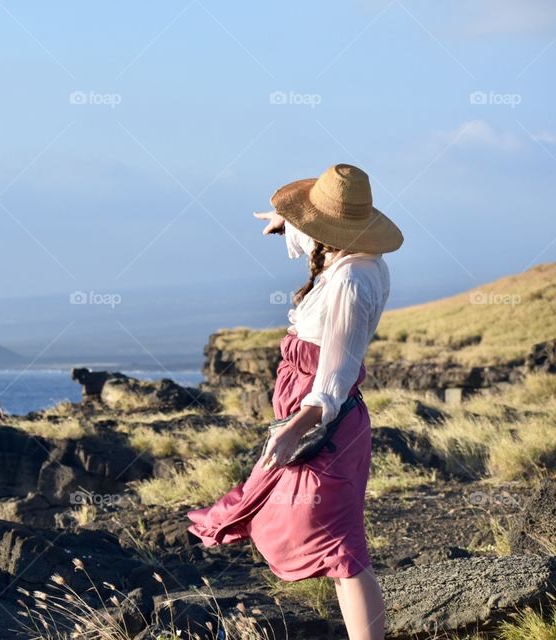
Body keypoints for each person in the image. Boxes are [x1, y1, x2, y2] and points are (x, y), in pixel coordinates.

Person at [187, 164, 403, 640]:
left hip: (326, 425)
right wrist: (288, 221)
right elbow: (315, 243)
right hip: (324, 424)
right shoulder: (356, 258)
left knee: (341, 549)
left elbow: (337, 373)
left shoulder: (350, 281)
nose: (306, 233)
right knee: (331, 541)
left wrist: (295, 426)